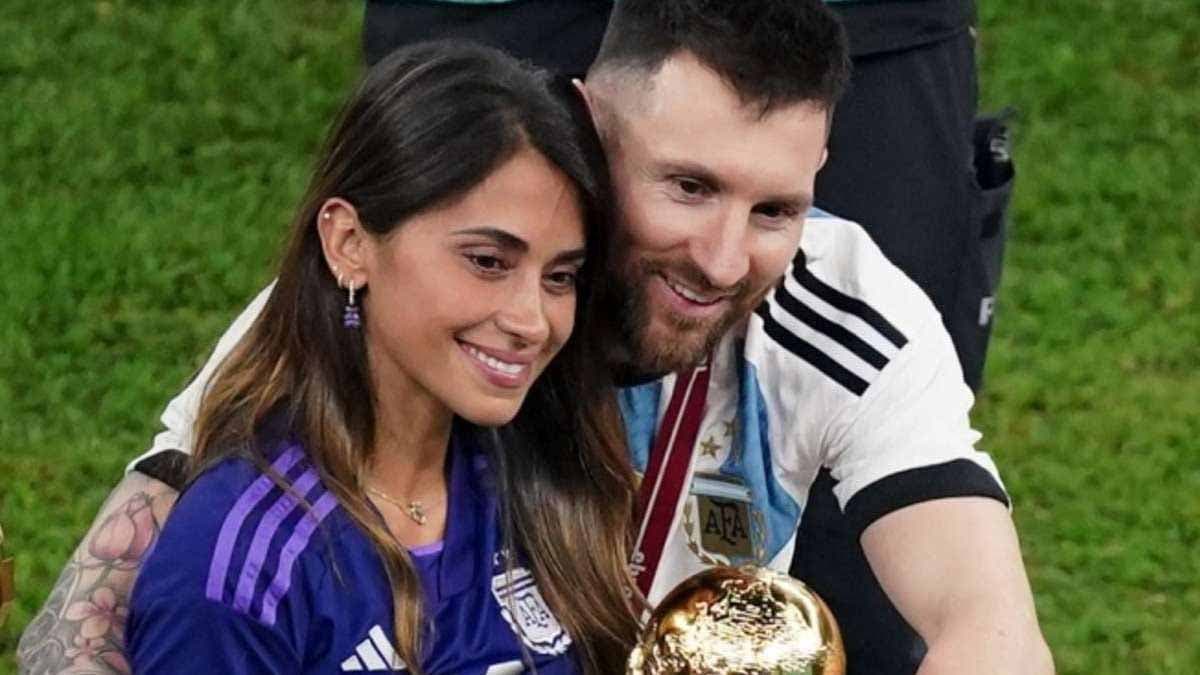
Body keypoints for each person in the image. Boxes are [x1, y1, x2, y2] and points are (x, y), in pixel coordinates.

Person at [20, 2, 1052, 674]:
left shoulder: (843, 308)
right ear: (587, 128)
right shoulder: (401, 301)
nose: (724, 259)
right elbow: (91, 614)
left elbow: (988, 623)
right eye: (686, 187)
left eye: (776, 207)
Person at [125, 40, 637, 673]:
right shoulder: (241, 563)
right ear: (348, 243)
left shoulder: (536, 472)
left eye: (560, 277)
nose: (532, 321)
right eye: (487, 262)